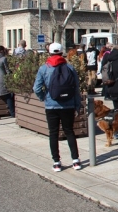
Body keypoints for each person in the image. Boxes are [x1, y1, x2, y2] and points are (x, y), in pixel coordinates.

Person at [33, 42, 82, 172]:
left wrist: (44, 96)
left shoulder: (44, 68)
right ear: (62, 53)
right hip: (68, 104)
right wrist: (77, 105)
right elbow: (76, 88)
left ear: (49, 52)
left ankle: (56, 162)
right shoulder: (70, 68)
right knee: (69, 131)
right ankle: (76, 161)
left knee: (53, 133)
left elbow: (36, 88)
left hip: (51, 105)